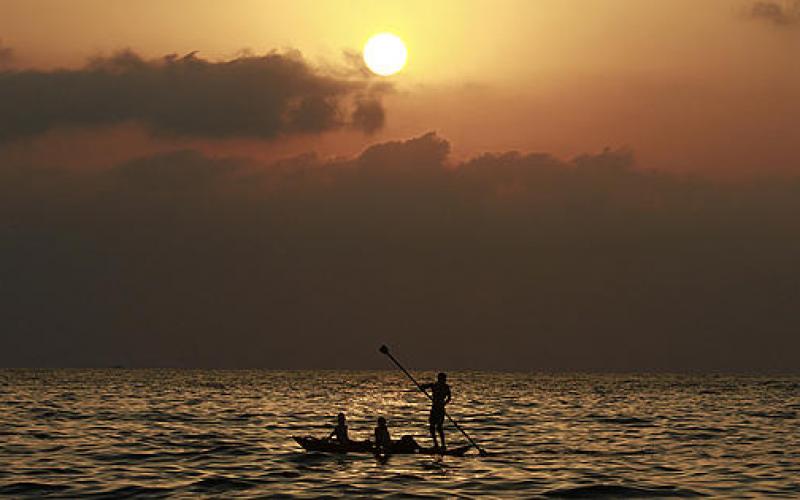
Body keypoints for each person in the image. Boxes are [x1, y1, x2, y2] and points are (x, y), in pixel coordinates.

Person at [421, 372, 451, 450]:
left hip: (440, 409)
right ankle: (436, 444)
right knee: (432, 427)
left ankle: (443, 445)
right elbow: (423, 387)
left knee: (439, 427)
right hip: (434, 408)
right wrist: (422, 387)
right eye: (442, 379)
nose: (444, 380)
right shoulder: (434, 385)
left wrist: (444, 404)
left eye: (444, 379)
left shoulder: (446, 387)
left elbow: (449, 398)